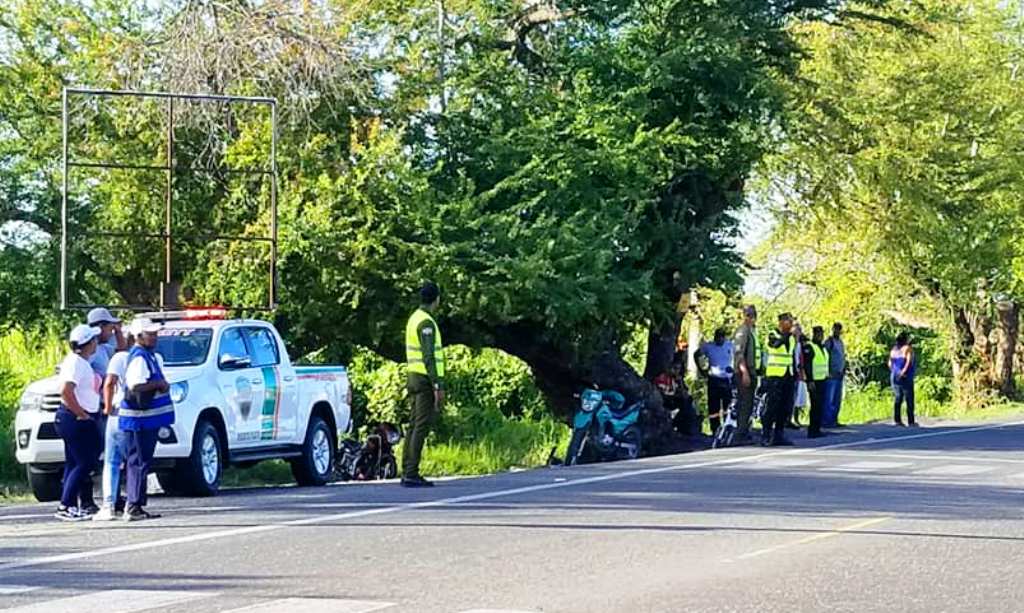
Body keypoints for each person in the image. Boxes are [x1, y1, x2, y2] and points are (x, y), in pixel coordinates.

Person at [119, 318, 174, 521]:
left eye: (155, 334)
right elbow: (135, 385)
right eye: (150, 334)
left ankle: (137, 505)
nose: (154, 337)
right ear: (138, 336)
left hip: (146, 420)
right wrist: (158, 384)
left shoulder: (148, 356)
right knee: (138, 462)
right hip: (139, 420)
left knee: (141, 461)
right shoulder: (139, 358)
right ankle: (133, 505)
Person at [54, 324, 104, 521]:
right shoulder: (76, 363)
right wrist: (81, 414)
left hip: (77, 417)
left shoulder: (82, 362)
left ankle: (72, 505)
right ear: (87, 344)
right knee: (85, 462)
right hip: (73, 418)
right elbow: (66, 391)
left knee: (73, 462)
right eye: (94, 340)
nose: (96, 343)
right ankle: (65, 504)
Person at [403, 282, 445, 488]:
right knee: (420, 425)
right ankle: (411, 472)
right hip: (424, 378)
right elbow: (429, 356)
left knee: (413, 424)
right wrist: (437, 385)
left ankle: (407, 469)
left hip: (413, 375)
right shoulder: (426, 322)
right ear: (436, 299)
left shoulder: (414, 318)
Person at [94, 331, 135, 521]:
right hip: (139, 416)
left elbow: (109, 383)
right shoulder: (151, 358)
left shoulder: (120, 358)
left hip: (119, 413)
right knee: (134, 461)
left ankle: (109, 504)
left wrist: (107, 407)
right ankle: (132, 504)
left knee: (112, 461)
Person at [762, 313, 799, 447]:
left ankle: (779, 434)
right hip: (775, 375)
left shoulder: (791, 338)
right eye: (789, 321)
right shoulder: (772, 334)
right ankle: (766, 434)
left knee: (785, 406)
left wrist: (795, 372)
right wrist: (787, 335)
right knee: (772, 406)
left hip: (788, 375)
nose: (791, 324)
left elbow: (791, 356)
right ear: (781, 322)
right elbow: (775, 345)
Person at [696, 328, 734, 436]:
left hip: (726, 379)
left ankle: (727, 427)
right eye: (718, 337)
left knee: (728, 405)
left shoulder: (730, 345)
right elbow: (697, 354)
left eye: (722, 337)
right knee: (714, 406)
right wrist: (701, 369)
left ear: (724, 338)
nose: (719, 340)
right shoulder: (709, 346)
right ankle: (715, 428)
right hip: (714, 379)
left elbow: (738, 356)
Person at [732, 305, 761, 443]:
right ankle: (740, 434)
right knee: (744, 404)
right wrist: (744, 372)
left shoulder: (752, 331)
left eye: (753, 315)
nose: (751, 318)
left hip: (753, 372)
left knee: (749, 405)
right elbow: (739, 353)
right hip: (744, 372)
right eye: (748, 315)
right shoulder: (743, 331)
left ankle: (744, 431)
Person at [806, 326, 831, 439]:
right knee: (815, 405)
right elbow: (808, 365)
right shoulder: (810, 347)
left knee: (820, 405)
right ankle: (812, 430)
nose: (820, 336)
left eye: (821, 334)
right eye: (818, 334)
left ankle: (817, 428)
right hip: (814, 381)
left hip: (823, 379)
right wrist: (810, 380)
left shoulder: (823, 348)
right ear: (814, 334)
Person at [87, 307, 125, 380]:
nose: (111, 334)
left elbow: (121, 353)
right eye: (110, 329)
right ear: (101, 327)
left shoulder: (102, 347)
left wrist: (118, 332)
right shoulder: (89, 351)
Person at [889, 332, 917, 427]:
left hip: (894, 376)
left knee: (898, 397)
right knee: (909, 398)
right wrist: (903, 372)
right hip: (906, 376)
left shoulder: (893, 350)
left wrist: (895, 372)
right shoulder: (907, 348)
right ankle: (911, 421)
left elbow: (890, 363)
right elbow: (908, 362)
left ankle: (897, 420)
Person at [823, 322, 847, 427]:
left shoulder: (840, 342)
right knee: (829, 399)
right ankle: (827, 421)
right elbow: (825, 357)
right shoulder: (829, 342)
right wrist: (827, 371)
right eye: (836, 329)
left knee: (837, 399)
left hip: (840, 374)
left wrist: (844, 369)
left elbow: (843, 356)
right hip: (831, 375)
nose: (837, 331)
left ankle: (834, 419)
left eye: (839, 329)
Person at [790, 323, 807, 429]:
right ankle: (789, 419)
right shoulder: (790, 342)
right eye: (796, 330)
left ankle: (796, 418)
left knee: (798, 397)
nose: (798, 333)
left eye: (799, 330)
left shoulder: (800, 344)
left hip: (799, 373)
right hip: (790, 373)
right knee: (791, 397)